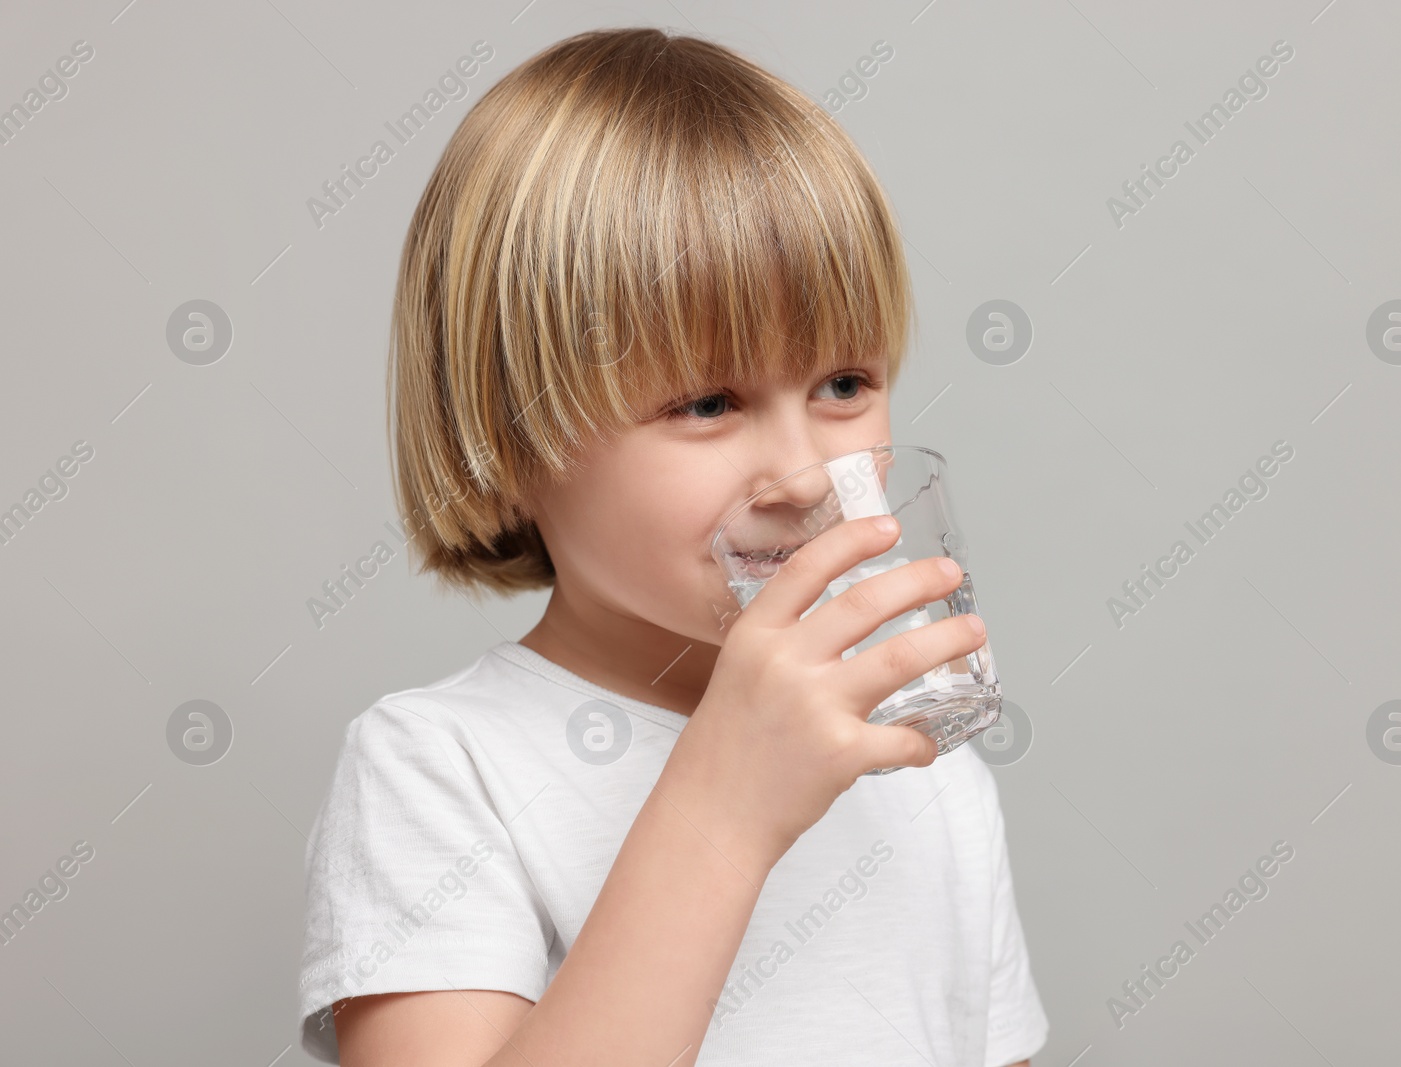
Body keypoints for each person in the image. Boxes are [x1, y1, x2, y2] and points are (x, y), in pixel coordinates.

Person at [296, 26, 1048, 1066]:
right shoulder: (437, 769)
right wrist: (725, 808)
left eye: (842, 385)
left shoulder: (919, 760)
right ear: (508, 440)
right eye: (705, 401)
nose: (799, 475)